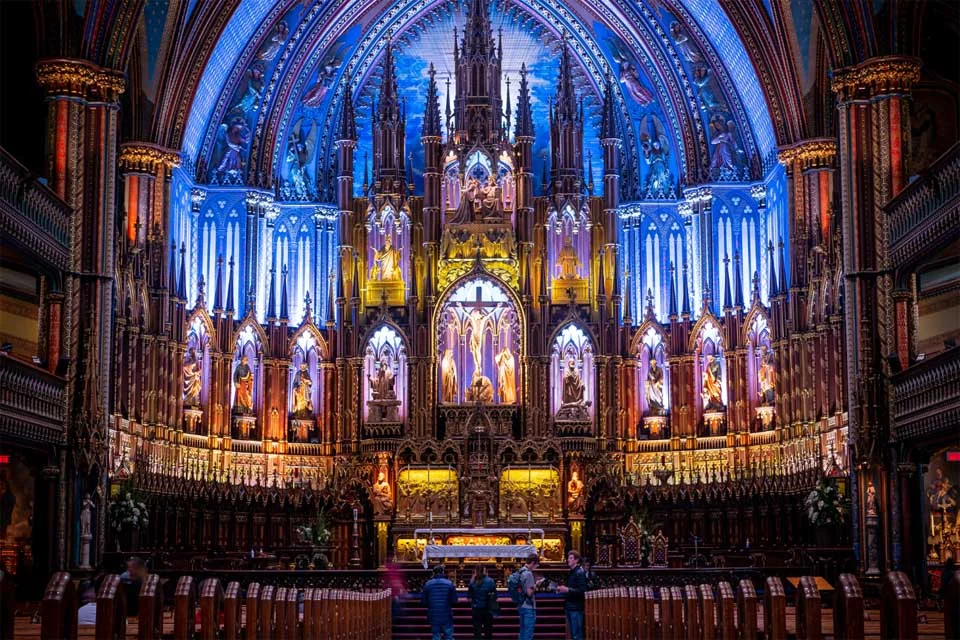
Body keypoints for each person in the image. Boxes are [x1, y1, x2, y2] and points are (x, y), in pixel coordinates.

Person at [557, 550, 588, 640]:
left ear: (576, 560)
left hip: (576, 608)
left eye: (571, 558)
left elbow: (582, 591)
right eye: (568, 558)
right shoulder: (571, 572)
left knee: (576, 634)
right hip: (570, 606)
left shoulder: (579, 573)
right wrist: (562, 590)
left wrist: (567, 589)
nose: (568, 560)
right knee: (572, 634)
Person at [422, 565, 457, 640]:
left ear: (433, 573)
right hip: (446, 613)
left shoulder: (428, 584)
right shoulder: (449, 583)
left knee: (436, 636)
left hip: (433, 613)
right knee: (448, 635)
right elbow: (454, 600)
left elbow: (424, 601)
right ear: (443, 572)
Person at [467, 564, 497, 640]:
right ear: (485, 571)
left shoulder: (472, 582)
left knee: (477, 630)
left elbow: (469, 598)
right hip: (488, 608)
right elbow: (495, 596)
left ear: (475, 572)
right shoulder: (490, 581)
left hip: (476, 608)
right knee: (488, 630)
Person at [518, 554, 539, 640]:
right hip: (529, 607)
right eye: (536, 565)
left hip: (521, 605)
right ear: (533, 563)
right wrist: (536, 585)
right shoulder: (529, 574)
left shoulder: (520, 571)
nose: (536, 568)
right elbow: (529, 592)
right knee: (528, 634)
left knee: (522, 631)